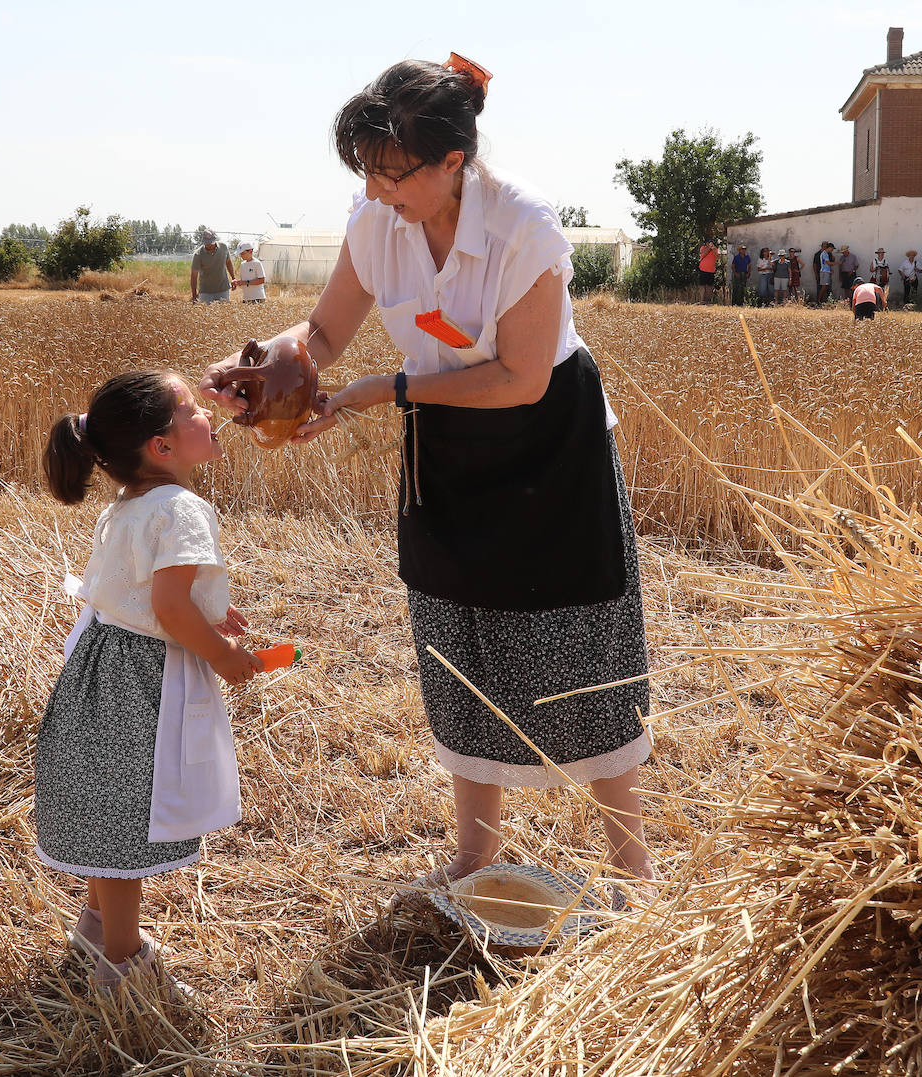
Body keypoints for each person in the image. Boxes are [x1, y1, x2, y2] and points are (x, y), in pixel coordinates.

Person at [201, 56, 655, 892]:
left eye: (393, 171)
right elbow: (327, 334)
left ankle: (634, 869)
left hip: (551, 443)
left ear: (455, 161)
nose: (377, 190)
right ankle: (474, 855)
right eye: (366, 170)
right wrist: (254, 366)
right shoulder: (378, 222)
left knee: (581, 647)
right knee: (461, 646)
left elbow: (522, 376)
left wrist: (392, 389)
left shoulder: (524, 228)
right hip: (447, 446)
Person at [36, 370, 263, 996]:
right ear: (161, 447)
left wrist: (207, 611)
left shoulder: (132, 501)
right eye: (191, 407)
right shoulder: (183, 507)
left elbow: (145, 591)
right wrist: (223, 654)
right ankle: (123, 965)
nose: (206, 412)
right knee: (130, 817)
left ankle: (96, 926)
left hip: (98, 667)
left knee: (108, 807)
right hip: (141, 678)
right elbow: (167, 608)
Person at [190, 229, 236, 304]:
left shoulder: (223, 247)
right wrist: (194, 296)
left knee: (223, 313)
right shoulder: (198, 254)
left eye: (211, 243)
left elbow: (228, 262)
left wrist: (233, 278)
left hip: (223, 289)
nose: (209, 245)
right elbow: (194, 276)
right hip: (205, 292)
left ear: (215, 240)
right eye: (207, 243)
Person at [698, 238, 719, 303]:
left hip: (711, 270)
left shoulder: (715, 249)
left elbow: (717, 257)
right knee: (702, 285)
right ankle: (702, 300)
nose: (710, 244)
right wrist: (709, 248)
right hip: (703, 270)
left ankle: (708, 300)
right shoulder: (703, 248)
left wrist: (713, 248)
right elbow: (703, 254)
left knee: (709, 286)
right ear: (706, 243)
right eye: (708, 242)